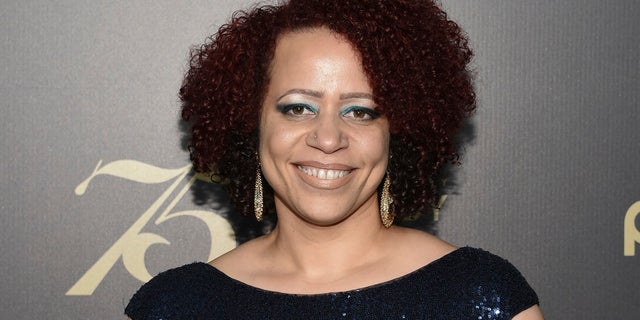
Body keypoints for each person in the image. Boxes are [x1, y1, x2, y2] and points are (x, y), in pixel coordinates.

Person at [126, 0, 543, 319]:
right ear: (250, 124)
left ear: (397, 132)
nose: (328, 139)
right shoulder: (173, 306)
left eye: (360, 111)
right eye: (298, 108)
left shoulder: (482, 296)